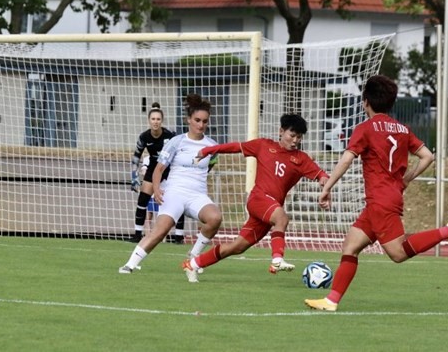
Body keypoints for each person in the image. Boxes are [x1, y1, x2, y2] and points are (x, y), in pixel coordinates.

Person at [304, 75, 448, 312]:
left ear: (365, 102)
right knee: (351, 246)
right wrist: (406, 179)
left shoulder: (365, 128)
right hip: (386, 197)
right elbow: (428, 156)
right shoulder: (402, 129)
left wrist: (327, 187)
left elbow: (346, 160)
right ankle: (331, 300)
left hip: (380, 200)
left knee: (398, 253)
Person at [182, 113, 330, 283]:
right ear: (281, 131)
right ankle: (277, 259)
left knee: (237, 247)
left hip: (269, 210)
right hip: (258, 199)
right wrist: (208, 150)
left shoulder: (302, 159)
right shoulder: (263, 145)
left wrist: (326, 187)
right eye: (292, 135)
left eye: (299, 137)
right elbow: (236, 147)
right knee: (282, 218)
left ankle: (192, 264)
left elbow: (322, 175)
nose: (295, 140)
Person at [119, 94, 222, 274]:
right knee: (160, 231)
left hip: (197, 195)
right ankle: (130, 264)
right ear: (188, 120)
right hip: (174, 193)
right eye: (197, 120)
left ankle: (193, 256)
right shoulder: (176, 141)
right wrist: (157, 190)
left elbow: (209, 166)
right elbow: (158, 169)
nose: (201, 125)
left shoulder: (212, 146)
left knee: (215, 218)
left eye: (205, 121)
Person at [127, 102, 186, 244]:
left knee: (176, 201)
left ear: (162, 121)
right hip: (153, 169)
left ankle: (179, 236)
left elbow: (180, 151)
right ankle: (137, 234)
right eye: (153, 119)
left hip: (168, 170)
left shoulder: (170, 135)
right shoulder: (144, 137)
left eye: (158, 119)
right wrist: (134, 176)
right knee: (142, 200)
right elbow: (136, 156)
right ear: (149, 120)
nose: (155, 122)